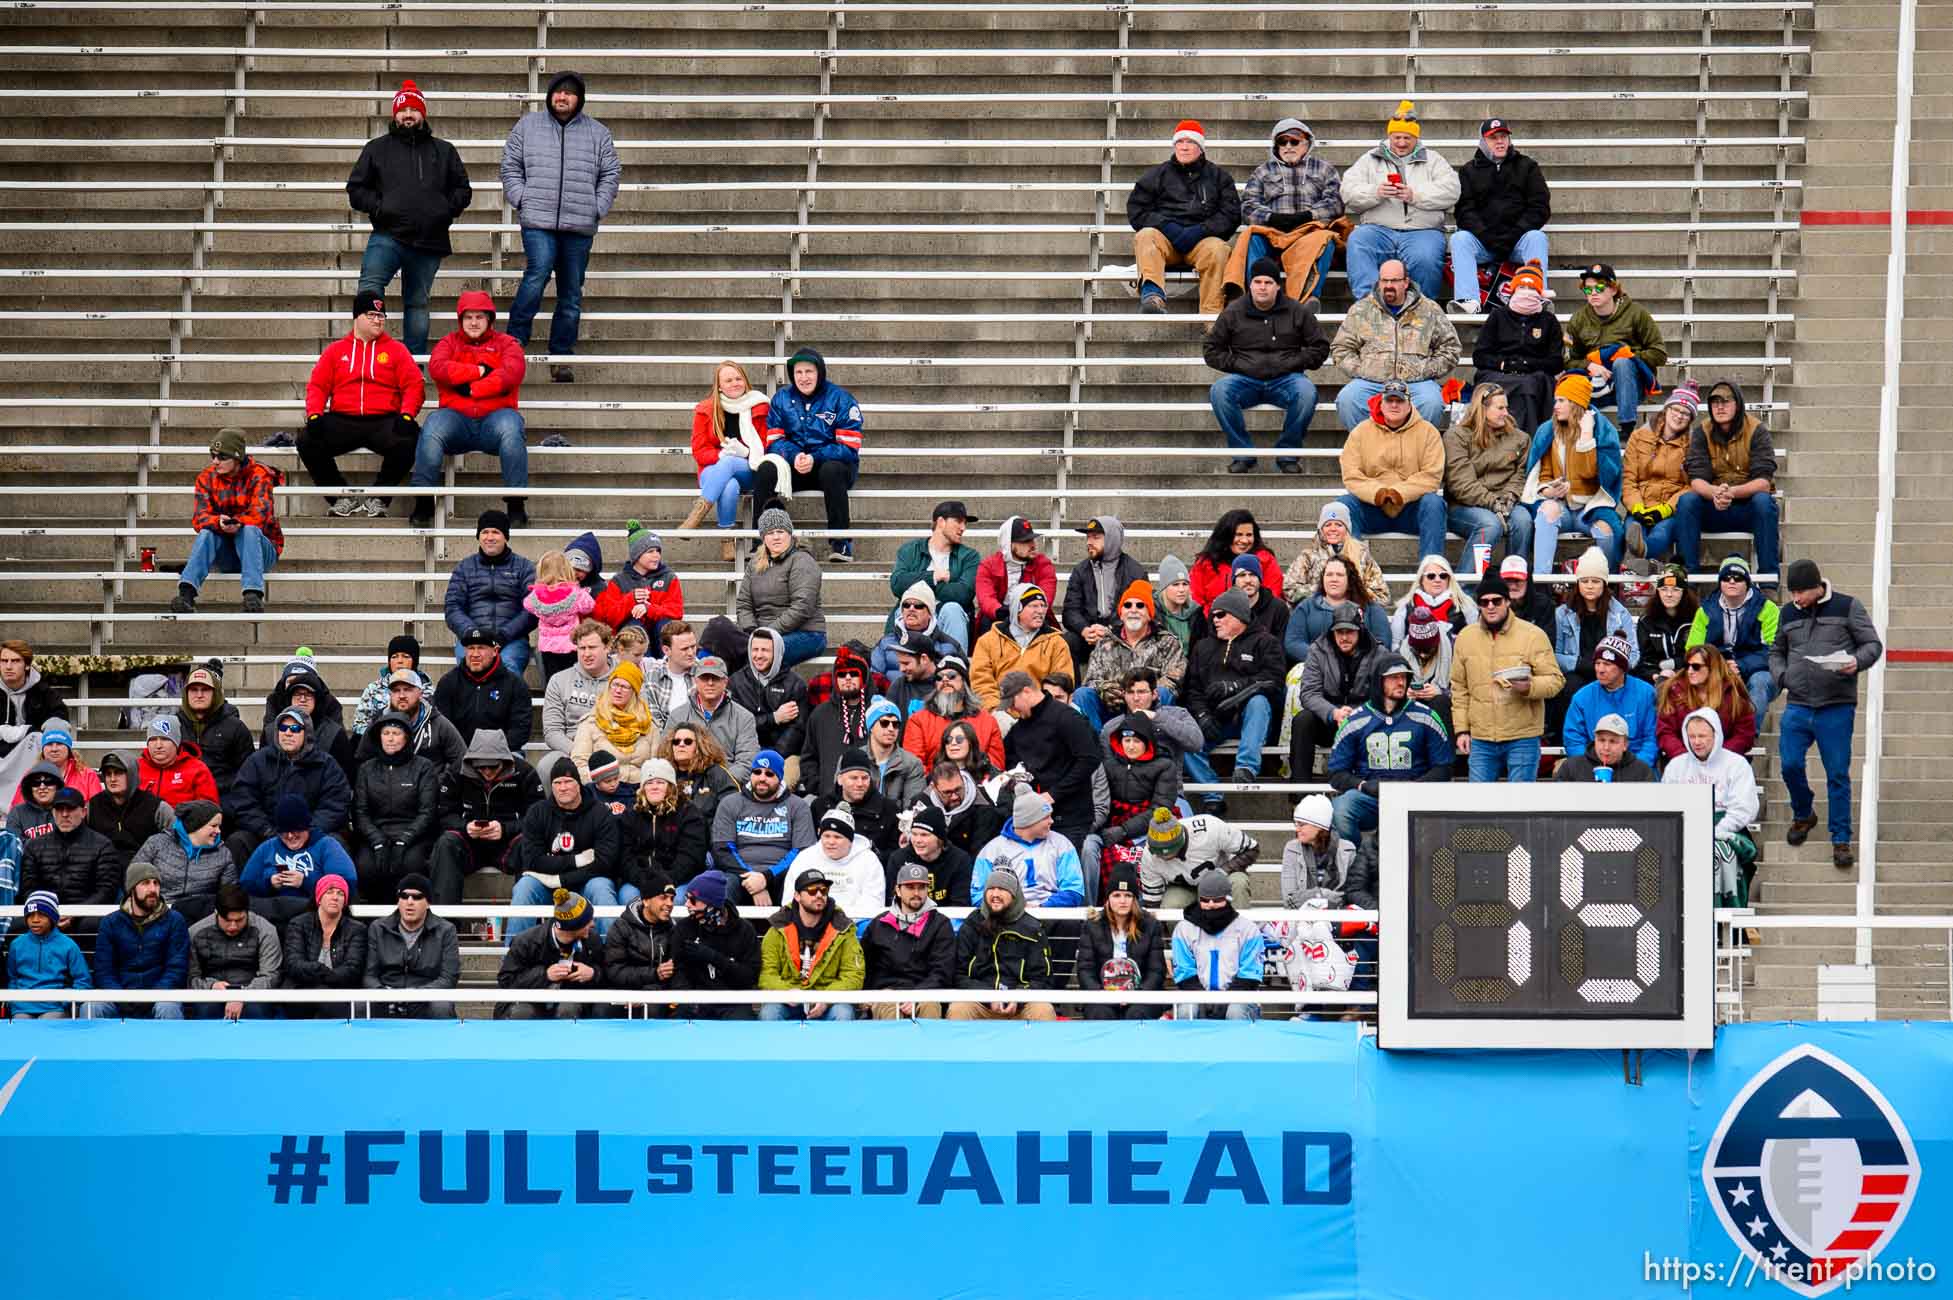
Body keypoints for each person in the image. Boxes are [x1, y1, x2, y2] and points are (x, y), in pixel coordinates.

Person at [501, 70, 621, 380]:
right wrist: (521, 198)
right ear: (550, 95)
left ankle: (562, 356)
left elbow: (610, 173)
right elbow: (510, 166)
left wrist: (597, 206)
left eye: (569, 92)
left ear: (579, 98)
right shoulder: (527, 126)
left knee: (570, 292)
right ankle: (513, 345)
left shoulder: (598, 133)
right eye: (558, 91)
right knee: (537, 273)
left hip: (579, 225)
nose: (562, 97)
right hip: (537, 220)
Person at [346, 79, 470, 356]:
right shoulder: (376, 148)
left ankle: (413, 364)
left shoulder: (444, 150)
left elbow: (463, 190)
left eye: (414, 109)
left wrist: (443, 211)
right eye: (403, 110)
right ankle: (368, 356)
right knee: (369, 292)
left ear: (423, 114)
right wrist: (380, 207)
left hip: (429, 240)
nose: (408, 115)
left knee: (417, 302)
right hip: (387, 235)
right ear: (395, 114)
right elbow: (356, 189)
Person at [1772, 559, 1883, 869]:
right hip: (1798, 703)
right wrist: (1782, 677)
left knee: (1837, 773)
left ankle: (1841, 838)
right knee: (1790, 765)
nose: (1795, 599)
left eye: (1800, 592)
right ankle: (1804, 813)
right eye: (1792, 592)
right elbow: (1776, 651)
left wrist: (1855, 662)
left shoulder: (1848, 606)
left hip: (1836, 704)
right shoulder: (1788, 613)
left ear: (1817, 587)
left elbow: (1872, 645)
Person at [298, 290, 423, 517]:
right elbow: (317, 386)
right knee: (307, 440)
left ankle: (379, 498)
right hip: (344, 419)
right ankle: (340, 497)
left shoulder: (396, 350)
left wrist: (407, 414)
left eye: (381, 316)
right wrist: (314, 414)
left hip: (383, 420)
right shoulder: (336, 351)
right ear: (357, 317)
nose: (378, 320)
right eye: (372, 315)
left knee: (411, 437)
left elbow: (414, 385)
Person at [409, 291, 528, 528]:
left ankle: (516, 506)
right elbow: (438, 367)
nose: (473, 322)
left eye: (480, 317)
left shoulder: (508, 344)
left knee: (511, 427)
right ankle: (423, 502)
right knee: (433, 426)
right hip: (457, 420)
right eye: (468, 317)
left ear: (490, 319)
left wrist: (472, 389)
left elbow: (510, 374)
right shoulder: (448, 342)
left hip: (495, 419)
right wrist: (479, 371)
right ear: (460, 320)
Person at [1204, 256, 1330, 474]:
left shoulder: (1297, 310)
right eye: (1258, 282)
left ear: (1277, 286)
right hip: (1245, 380)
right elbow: (1211, 350)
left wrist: (1293, 362)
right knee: (1220, 390)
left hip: (1287, 379)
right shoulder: (1233, 311)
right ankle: (1243, 455)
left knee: (1307, 392)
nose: (1263, 287)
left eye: (1268, 282)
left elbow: (1320, 347)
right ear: (1250, 285)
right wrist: (1238, 364)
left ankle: (1288, 454)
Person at [1450, 570, 1565, 781]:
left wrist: (1529, 686)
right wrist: (1461, 730)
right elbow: (1459, 689)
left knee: (1521, 808)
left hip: (1522, 736)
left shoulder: (1533, 635)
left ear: (1507, 601)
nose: (1491, 606)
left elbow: (1555, 680)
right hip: (1481, 737)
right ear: (1479, 605)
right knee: (1478, 808)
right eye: (1484, 602)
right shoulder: (1465, 638)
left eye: (1496, 600)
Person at [1340, 100, 1459, 301]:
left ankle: (1422, 307)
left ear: (1416, 138)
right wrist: (1376, 193)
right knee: (1358, 241)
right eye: (1397, 137)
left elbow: (1452, 190)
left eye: (1407, 138)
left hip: (1423, 230)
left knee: (1426, 257)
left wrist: (1415, 195)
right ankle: (1369, 305)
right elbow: (1348, 191)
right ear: (1389, 136)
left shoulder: (1434, 159)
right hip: (1378, 229)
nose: (1402, 143)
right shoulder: (1369, 159)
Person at [1325, 652, 1453, 840]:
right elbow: (1336, 773)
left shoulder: (1426, 717)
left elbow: (1443, 768)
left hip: (1416, 795)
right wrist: (1363, 785)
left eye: (1404, 677)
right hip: (1371, 797)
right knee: (1341, 810)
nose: (1401, 682)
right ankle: (1356, 863)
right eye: (1394, 678)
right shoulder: (1356, 720)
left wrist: (1414, 788)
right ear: (1379, 681)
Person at [1127, 119, 1240, 315]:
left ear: (1201, 147)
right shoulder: (1157, 174)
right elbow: (1137, 210)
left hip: (1201, 242)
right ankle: (1153, 297)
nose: (1185, 147)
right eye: (1180, 142)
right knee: (1146, 236)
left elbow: (1230, 214)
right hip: (1166, 241)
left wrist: (1200, 230)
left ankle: (1212, 318)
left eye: (1191, 142)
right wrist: (1168, 227)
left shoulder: (1218, 177)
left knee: (1219, 249)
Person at [758, 347, 863, 560]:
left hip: (832, 468)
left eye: (809, 371)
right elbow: (774, 441)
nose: (804, 377)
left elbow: (849, 446)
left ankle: (841, 543)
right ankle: (760, 544)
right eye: (799, 372)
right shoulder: (781, 398)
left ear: (820, 372)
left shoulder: (841, 398)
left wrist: (815, 457)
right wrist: (794, 456)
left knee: (832, 470)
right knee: (767, 469)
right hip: (794, 466)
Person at [1230, 116, 1344, 308]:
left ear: (1307, 143)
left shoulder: (1325, 169)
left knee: (1325, 238)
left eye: (1294, 141)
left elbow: (1335, 204)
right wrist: (1271, 217)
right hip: (1274, 232)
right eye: (1282, 142)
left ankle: (1308, 297)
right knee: (1251, 238)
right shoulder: (1262, 171)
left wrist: (1308, 216)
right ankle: (1255, 298)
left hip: (1309, 231)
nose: (1288, 146)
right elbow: (1248, 206)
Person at [506, 754, 623, 939]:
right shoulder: (537, 813)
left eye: (568, 781)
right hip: (547, 883)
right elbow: (533, 860)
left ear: (578, 783)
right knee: (524, 887)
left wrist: (561, 879)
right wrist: (577, 860)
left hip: (587, 882)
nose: (563, 787)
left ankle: (614, 958)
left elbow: (604, 862)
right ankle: (512, 960)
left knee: (601, 888)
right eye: (557, 783)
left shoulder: (600, 813)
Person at [171, 427, 285, 614]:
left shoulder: (259, 475)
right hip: (227, 552)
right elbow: (199, 517)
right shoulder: (206, 477)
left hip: (261, 551)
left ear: (237, 457)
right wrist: (219, 522)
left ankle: (253, 596)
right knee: (208, 532)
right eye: (213, 455)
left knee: (249, 530)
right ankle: (186, 594)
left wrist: (237, 523)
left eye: (222, 457)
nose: (215, 461)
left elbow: (261, 516)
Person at [1331, 264, 1458, 432]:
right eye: (1384, 280)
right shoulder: (1361, 309)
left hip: (1416, 383)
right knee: (1347, 399)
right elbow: (1341, 348)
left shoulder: (1429, 309)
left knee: (1432, 402)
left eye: (1394, 280)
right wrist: (1363, 370)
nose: (1388, 285)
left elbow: (1451, 347)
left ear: (1406, 282)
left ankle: (1414, 452)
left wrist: (1425, 370)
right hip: (1372, 382)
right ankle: (1369, 450)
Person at [1677, 379, 1780, 582]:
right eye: (1715, 402)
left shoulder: (1757, 430)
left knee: (1764, 501)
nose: (1720, 407)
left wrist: (1731, 492)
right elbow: (1697, 480)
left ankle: (1768, 581)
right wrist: (1716, 493)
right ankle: (1689, 580)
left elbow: (1763, 481)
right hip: (1713, 507)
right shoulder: (1702, 432)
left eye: (1725, 401)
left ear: (1738, 404)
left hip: (1747, 508)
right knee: (1687, 501)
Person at [1339, 379, 1449, 561]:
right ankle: (1354, 571)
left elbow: (1431, 476)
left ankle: (1431, 569)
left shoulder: (1428, 432)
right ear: (1381, 404)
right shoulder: (1360, 432)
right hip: (1372, 509)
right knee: (1344, 504)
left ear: (1409, 405)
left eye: (1399, 401)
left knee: (1434, 503)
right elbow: (1351, 475)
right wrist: (1378, 492)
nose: (1394, 405)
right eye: (1389, 400)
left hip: (1411, 510)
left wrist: (1399, 493)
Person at [1448, 117, 1550, 312]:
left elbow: (1540, 207)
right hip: (1484, 242)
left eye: (1503, 136)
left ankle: (1537, 296)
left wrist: (1513, 235)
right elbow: (1464, 211)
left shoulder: (1527, 166)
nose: (1500, 141)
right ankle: (1469, 301)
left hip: (1517, 241)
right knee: (1460, 239)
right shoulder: (1469, 170)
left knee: (1537, 238)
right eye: (1493, 137)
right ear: (1483, 141)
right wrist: (1486, 236)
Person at [430, 729, 542, 908]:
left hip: (508, 843)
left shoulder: (524, 772)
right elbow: (443, 813)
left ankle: (526, 926)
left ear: (505, 761)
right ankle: (445, 926)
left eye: (493, 766)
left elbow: (537, 817)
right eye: (481, 766)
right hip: (470, 842)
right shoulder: (456, 772)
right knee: (446, 843)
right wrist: (465, 827)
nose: (487, 772)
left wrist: (506, 829)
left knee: (529, 844)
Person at [1525, 375, 1625, 573]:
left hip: (1591, 508)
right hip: (1561, 507)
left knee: (1608, 531)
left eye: (1562, 401)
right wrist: (1549, 491)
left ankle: (1607, 585)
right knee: (1547, 511)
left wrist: (1586, 437)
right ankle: (1541, 582)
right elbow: (1543, 475)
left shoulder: (1602, 431)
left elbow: (1591, 473)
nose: (1556, 406)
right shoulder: (1548, 431)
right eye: (1556, 400)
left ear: (1576, 403)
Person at [1184, 590, 1284, 785]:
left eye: (1221, 615)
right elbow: (1193, 690)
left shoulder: (1265, 642)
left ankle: (1246, 768)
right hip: (1215, 718)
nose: (1215, 620)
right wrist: (1203, 716)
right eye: (1213, 615)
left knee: (1258, 701)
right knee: (1184, 739)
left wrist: (1234, 687)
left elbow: (1274, 679)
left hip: (1252, 718)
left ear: (1239, 615)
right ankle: (1213, 796)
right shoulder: (1202, 647)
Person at [1663, 708, 1761, 906]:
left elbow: (1744, 809)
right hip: (1684, 828)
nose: (1697, 742)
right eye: (1692, 736)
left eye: (1702, 736)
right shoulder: (1676, 766)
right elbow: (1666, 805)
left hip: (1728, 829)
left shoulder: (1736, 764)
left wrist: (1715, 831)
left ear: (1715, 734)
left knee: (1719, 853)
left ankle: (1723, 918)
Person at [229, 709, 352, 864]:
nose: (288, 733)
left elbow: (335, 805)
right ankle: (246, 888)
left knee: (336, 843)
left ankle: (327, 888)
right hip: (267, 835)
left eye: (295, 729)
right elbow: (243, 801)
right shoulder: (257, 761)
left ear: (306, 733)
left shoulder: (326, 764)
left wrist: (304, 833)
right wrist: (268, 831)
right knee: (238, 841)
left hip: (311, 835)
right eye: (282, 728)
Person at [1000, 673, 1102, 850]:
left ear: (1026, 691)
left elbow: (1089, 758)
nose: (1012, 709)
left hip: (1070, 817)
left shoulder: (1066, 717)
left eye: (1012, 703)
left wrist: (1053, 794)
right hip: (1034, 817)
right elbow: (1009, 760)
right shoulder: (1019, 728)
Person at [1442, 383, 1535, 573]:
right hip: (1464, 506)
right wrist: (1493, 504)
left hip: (1506, 501)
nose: (1506, 413)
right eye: (1500, 408)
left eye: (1506, 407)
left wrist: (1509, 498)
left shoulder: (1520, 438)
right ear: (1482, 409)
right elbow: (1462, 484)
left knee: (1524, 521)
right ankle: (1466, 591)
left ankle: (1514, 585)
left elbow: (1521, 473)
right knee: (1490, 525)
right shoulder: (1456, 436)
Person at [1565, 261, 1667, 433]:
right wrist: (1588, 365)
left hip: (1631, 383)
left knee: (1622, 363)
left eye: (1599, 288)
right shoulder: (1579, 319)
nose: (1593, 293)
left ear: (1613, 289)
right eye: (1588, 289)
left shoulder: (1635, 313)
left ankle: (1627, 427)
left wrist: (1629, 356)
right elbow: (1569, 360)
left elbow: (1659, 353)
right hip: (1597, 383)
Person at [1288, 599, 1383, 780]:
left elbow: (1382, 695)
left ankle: (1373, 788)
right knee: (1303, 720)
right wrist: (1334, 713)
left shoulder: (1378, 652)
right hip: (1329, 719)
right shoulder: (1317, 650)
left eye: (1350, 632)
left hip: (1365, 720)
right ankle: (1299, 791)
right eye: (1340, 631)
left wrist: (1356, 714)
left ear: (1360, 630)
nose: (1344, 637)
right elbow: (1309, 693)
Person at [757, 864, 866, 1021]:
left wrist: (826, 999)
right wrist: (787, 992)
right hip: (788, 1000)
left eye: (823, 890)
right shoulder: (778, 927)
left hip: (828, 1001)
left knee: (843, 1013)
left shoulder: (843, 927)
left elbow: (853, 974)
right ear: (797, 896)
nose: (819, 895)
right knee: (770, 1013)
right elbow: (766, 973)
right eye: (812, 891)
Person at [685, 360, 770, 562]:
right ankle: (726, 539)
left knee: (730, 463)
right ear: (719, 385)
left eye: (738, 378)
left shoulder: (760, 406)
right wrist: (720, 455)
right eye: (728, 380)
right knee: (728, 485)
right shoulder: (706, 410)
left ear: (746, 381)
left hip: (749, 468)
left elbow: (768, 445)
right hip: (712, 469)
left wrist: (746, 452)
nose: (734, 383)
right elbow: (699, 452)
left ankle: (696, 516)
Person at [352, 711, 438, 904]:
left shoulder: (423, 767)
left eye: (396, 734)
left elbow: (427, 811)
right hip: (376, 833)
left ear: (407, 738)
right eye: (386, 733)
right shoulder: (366, 769)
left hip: (413, 835)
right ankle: (375, 922)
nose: (390, 738)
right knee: (366, 867)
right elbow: (360, 812)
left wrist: (405, 840)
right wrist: (377, 840)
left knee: (411, 864)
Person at [1075, 581, 1185, 731]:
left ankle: (1153, 744)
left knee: (1165, 693)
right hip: (1111, 708)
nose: (1133, 610)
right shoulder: (1105, 643)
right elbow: (1091, 680)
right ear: (1121, 614)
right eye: (1127, 605)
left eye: (1140, 606)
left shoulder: (1167, 642)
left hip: (1149, 708)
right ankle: (1099, 746)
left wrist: (1139, 694)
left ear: (1149, 614)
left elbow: (1173, 680)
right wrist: (1108, 689)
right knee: (1082, 694)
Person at [951, 866, 1057, 1021]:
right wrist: (989, 995)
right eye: (991, 889)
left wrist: (1018, 997)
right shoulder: (972, 924)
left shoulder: (1033, 929)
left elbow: (1043, 978)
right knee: (959, 1009)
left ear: (1014, 894)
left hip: (1021, 1005)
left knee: (1043, 1010)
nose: (995, 894)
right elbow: (958, 974)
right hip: (980, 1002)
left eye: (1002, 889)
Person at [713, 749, 816, 907]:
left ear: (780, 778)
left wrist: (766, 878)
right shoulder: (730, 803)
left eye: (769, 774)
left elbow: (801, 851)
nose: (762, 778)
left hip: (782, 875)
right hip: (739, 875)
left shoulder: (797, 806)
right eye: (757, 772)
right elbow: (723, 849)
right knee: (722, 887)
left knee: (800, 884)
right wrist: (753, 880)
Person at [241, 793, 359, 927]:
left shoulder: (326, 845)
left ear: (306, 827)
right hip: (271, 915)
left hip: (312, 914)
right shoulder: (268, 847)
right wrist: (269, 883)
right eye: (284, 831)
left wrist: (306, 882)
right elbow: (245, 884)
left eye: (296, 830)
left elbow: (346, 883)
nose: (290, 836)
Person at [92, 859, 191, 1019]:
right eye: (145, 883)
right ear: (131, 889)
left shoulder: (174, 920)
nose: (153, 889)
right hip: (119, 997)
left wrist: (151, 997)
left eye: (156, 884)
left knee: (168, 1008)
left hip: (160, 998)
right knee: (92, 1007)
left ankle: (171, 1045)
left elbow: (176, 969)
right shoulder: (110, 923)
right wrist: (122, 998)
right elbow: (104, 971)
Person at [444, 507, 537, 675]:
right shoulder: (464, 567)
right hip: (471, 638)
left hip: (511, 640)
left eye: (496, 532)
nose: (490, 537)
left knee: (507, 670)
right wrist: (473, 634)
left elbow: (532, 609)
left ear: (505, 537)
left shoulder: (524, 567)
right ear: (478, 536)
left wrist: (503, 635)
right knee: (469, 673)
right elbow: (453, 608)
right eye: (485, 532)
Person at [1553, 550, 1638, 732]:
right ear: (1578, 583)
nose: (1589, 586)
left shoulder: (1619, 613)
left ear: (1604, 584)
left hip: (1611, 670)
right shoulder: (1562, 613)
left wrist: (1613, 667)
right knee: (1569, 686)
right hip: (1577, 670)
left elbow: (1633, 654)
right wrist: (1577, 663)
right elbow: (1554, 655)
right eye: (1584, 581)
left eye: (1595, 581)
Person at [1686, 554, 1780, 720]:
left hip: (1758, 668)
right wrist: (1720, 665)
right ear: (1720, 582)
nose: (1731, 582)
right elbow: (1693, 649)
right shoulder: (1706, 610)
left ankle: (1749, 738)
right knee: (1697, 676)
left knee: (1760, 682)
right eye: (1726, 578)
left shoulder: (1767, 608)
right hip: (1717, 665)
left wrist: (1741, 665)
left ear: (1747, 583)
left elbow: (1775, 651)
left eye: (1738, 578)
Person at [861, 860, 956, 1019]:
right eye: (910, 887)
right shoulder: (879, 924)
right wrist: (869, 994)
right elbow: (865, 967)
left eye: (921, 887)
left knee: (930, 1005)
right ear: (898, 890)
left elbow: (942, 971)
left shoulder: (940, 924)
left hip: (926, 993)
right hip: (887, 993)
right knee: (888, 1005)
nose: (916, 893)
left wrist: (918, 994)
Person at [735, 507, 828, 667]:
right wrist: (751, 630)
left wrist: (767, 633)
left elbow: (802, 607)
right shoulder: (755, 563)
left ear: (790, 534)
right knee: (720, 643)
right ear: (763, 538)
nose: (776, 537)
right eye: (770, 533)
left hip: (806, 633)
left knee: (761, 654)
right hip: (762, 632)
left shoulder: (802, 560)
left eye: (780, 531)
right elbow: (744, 603)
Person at [1073, 863, 1167, 1020]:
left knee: (1136, 1014)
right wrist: (1105, 995)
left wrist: (1135, 996)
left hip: (1142, 996)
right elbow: (1085, 969)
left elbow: (1156, 970)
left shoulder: (1150, 925)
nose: (1122, 901)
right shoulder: (1093, 925)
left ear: (1135, 899)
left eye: (1128, 895)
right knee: (1101, 1014)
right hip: (1102, 996)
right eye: (1117, 895)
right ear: (1108, 898)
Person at [496, 886, 606, 1020]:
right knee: (523, 1012)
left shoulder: (592, 940)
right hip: (530, 1003)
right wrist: (545, 975)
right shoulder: (526, 941)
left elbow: (608, 973)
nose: (593, 924)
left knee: (569, 1007)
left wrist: (593, 973)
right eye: (587, 921)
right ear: (572, 926)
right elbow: (506, 981)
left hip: (570, 1005)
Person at [1622, 382, 1701, 564]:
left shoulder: (1693, 445)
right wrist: (1636, 507)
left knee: (1661, 532)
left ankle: (1639, 557)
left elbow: (1690, 485)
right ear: (1667, 409)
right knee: (1632, 530)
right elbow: (1629, 478)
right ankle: (1642, 564)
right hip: (1640, 504)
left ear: (1690, 419)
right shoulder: (1639, 436)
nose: (1679, 416)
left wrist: (1665, 509)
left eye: (1686, 413)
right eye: (1676, 409)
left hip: (1668, 509)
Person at [1171, 870, 1266, 1021]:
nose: (1211, 905)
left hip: (1238, 996)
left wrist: (1226, 1000)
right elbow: (1184, 972)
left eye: (1217, 900)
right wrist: (1203, 999)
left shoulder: (1248, 929)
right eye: (1205, 900)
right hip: (1197, 994)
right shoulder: (1183, 929)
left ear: (1228, 899)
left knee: (1235, 1012)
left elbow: (1249, 975)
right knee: (1186, 1011)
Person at [362, 872, 460, 1018]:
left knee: (441, 1006)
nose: (409, 902)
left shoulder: (446, 930)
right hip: (386, 998)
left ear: (428, 903)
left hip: (425, 1000)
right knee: (360, 1005)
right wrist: (384, 994)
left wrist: (416, 994)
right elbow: (369, 976)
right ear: (398, 901)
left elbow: (448, 978)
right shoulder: (378, 928)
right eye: (404, 896)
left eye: (417, 897)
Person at [886, 500, 980, 652]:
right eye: (958, 521)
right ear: (941, 522)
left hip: (946, 615)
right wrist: (933, 577)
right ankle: (901, 666)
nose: (963, 528)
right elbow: (897, 584)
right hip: (915, 611)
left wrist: (920, 589)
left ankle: (954, 667)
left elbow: (964, 593)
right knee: (907, 607)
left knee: (952, 609)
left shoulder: (969, 556)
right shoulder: (910, 550)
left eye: (965, 523)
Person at [19, 784, 117, 929]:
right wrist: (47, 913)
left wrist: (75, 914)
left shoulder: (103, 845)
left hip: (86, 916)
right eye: (59, 809)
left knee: (93, 925)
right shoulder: (34, 846)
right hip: (43, 913)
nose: (64, 814)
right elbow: (28, 888)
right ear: (53, 812)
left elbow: (106, 890)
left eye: (70, 809)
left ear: (83, 812)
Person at [971, 787, 1086, 911]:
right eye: (1046, 817)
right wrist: (1013, 909)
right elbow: (978, 897)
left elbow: (1074, 891)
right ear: (1029, 821)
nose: (1051, 821)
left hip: (1053, 916)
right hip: (1007, 918)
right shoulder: (991, 851)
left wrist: (1043, 908)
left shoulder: (1062, 844)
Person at [1062, 516, 1147, 673]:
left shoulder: (1135, 571)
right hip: (1089, 635)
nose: (1089, 542)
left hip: (1123, 633)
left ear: (1111, 539)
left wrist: (1110, 630)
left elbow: (1142, 612)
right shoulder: (1080, 570)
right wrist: (1085, 630)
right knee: (1066, 642)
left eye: (1096, 537)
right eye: (1088, 537)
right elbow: (1070, 610)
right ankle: (1074, 693)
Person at [670, 870, 759, 1018]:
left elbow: (749, 977)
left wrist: (714, 958)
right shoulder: (684, 928)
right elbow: (679, 972)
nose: (687, 904)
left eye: (693, 900)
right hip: (697, 1001)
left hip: (734, 1001)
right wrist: (688, 999)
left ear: (711, 903)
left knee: (742, 1023)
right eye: (686, 898)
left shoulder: (744, 930)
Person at [434, 626, 533, 759]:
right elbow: (441, 727)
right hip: (458, 754)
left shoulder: (515, 684)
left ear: (495, 651)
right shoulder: (448, 682)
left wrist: (494, 751)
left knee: (518, 763)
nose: (475, 654)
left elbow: (521, 729)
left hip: (502, 753)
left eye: (481, 648)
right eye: (470, 648)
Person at [1560, 636, 1659, 769]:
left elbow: (1652, 739)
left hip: (1637, 768)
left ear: (1622, 668)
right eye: (1597, 663)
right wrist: (1590, 768)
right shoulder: (1582, 697)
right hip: (1594, 769)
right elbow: (1573, 740)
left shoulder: (1646, 694)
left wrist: (1636, 769)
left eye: (1607, 664)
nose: (1600, 669)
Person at [280, 873, 369, 1019]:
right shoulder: (298, 924)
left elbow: (353, 969)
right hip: (301, 991)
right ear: (319, 898)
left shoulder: (357, 929)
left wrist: (323, 976)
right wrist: (321, 971)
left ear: (345, 901)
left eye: (340, 894)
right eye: (330, 892)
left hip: (339, 992)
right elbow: (293, 964)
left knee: (330, 1004)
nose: (335, 897)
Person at [972, 583, 1074, 710]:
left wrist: (1039, 710)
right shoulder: (988, 641)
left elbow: (1062, 683)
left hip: (1041, 713)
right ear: (1017, 609)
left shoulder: (1057, 643)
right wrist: (997, 710)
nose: (1040, 611)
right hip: (1000, 712)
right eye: (1033, 606)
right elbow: (981, 682)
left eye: (1043, 606)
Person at [187, 883, 281, 1020]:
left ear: (247, 912)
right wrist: (211, 986)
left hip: (253, 990)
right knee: (207, 1009)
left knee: (256, 1010)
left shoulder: (266, 930)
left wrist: (242, 995)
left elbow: (271, 976)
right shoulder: (195, 932)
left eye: (239, 920)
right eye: (227, 920)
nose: (233, 926)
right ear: (216, 913)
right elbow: (191, 977)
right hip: (211, 991)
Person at [1134, 805, 1257, 910]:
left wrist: (1223, 871)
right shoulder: (1149, 855)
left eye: (1168, 852)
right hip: (1185, 887)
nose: (1162, 856)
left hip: (1224, 874)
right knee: (1171, 906)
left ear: (1180, 841)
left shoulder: (1210, 827)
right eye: (1158, 851)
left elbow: (1252, 849)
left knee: (1238, 883)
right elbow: (1152, 901)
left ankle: (1241, 933)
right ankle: (1181, 937)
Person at [781, 803, 886, 923]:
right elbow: (790, 899)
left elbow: (874, 902)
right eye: (826, 836)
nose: (831, 842)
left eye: (837, 837)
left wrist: (842, 923)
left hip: (855, 923)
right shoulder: (805, 857)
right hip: (811, 922)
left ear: (850, 840)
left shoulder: (869, 860)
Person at [134, 799, 234, 924]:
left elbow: (229, 895)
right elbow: (134, 878)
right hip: (155, 912)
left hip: (200, 917)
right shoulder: (157, 843)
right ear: (196, 825)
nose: (218, 831)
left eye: (219, 826)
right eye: (213, 826)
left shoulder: (223, 854)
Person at [7, 891, 103, 1020]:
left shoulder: (68, 945)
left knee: (49, 1022)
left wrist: (64, 1001)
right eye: (30, 915)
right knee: (20, 1022)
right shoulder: (16, 945)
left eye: (42, 915)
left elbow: (83, 981)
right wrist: (14, 1002)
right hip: (22, 1008)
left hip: (55, 1008)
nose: (35, 920)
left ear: (52, 917)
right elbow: (12, 978)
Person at [1657, 644, 1758, 765]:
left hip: (1724, 764)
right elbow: (1665, 732)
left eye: (1696, 667)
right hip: (1683, 764)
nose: (1690, 671)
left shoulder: (1733, 693)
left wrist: (1718, 757)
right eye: (1687, 666)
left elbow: (1744, 735)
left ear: (1712, 668)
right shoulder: (1675, 691)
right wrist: (1684, 757)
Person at [729, 628, 810, 777]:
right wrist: (774, 718)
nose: (758, 655)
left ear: (777, 652)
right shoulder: (736, 682)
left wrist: (772, 757)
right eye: (755, 649)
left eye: (765, 650)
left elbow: (797, 729)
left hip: (784, 755)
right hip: (745, 752)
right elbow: (738, 725)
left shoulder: (795, 684)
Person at [902, 656, 1005, 772]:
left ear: (964, 682)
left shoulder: (987, 721)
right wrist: (938, 785)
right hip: (933, 786)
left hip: (978, 786)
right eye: (939, 678)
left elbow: (996, 766)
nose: (945, 680)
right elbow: (914, 767)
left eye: (951, 676)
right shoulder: (918, 720)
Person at [1284, 500, 1391, 612]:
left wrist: (1349, 593)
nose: (1333, 529)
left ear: (1347, 529)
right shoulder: (1308, 556)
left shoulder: (1362, 555)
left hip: (1352, 617)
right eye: (1328, 524)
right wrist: (1324, 592)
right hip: (1317, 613)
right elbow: (1290, 589)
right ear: (1321, 529)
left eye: (1339, 525)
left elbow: (1382, 595)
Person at [352, 668, 466, 772]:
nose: (402, 695)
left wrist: (442, 786)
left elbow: (460, 758)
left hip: (429, 791)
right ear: (390, 694)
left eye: (407, 689)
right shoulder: (379, 723)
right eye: (396, 690)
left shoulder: (438, 723)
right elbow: (362, 760)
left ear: (420, 693)